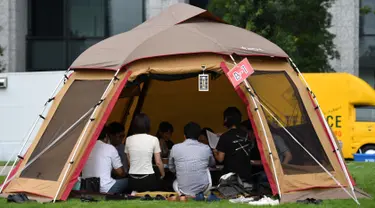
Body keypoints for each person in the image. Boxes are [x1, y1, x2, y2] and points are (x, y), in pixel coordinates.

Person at [169, 122, 216, 196]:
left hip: (182, 189)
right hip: (204, 189)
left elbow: (171, 168)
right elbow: (212, 164)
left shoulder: (175, 148)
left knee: (176, 180)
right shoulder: (206, 148)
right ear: (199, 136)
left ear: (184, 136)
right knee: (206, 168)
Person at [125, 113, 165, 192]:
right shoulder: (154, 139)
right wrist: (163, 174)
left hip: (132, 179)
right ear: (148, 125)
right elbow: (158, 162)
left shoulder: (128, 139)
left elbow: (129, 162)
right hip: (148, 179)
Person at [82, 126, 127, 194]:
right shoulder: (110, 148)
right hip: (106, 188)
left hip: (87, 186)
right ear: (106, 136)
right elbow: (121, 173)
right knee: (130, 181)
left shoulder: (85, 148)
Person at [213, 107, 252, 182]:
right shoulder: (246, 135)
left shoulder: (225, 136)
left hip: (231, 177)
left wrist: (215, 152)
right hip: (247, 174)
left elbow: (220, 159)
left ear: (226, 119)